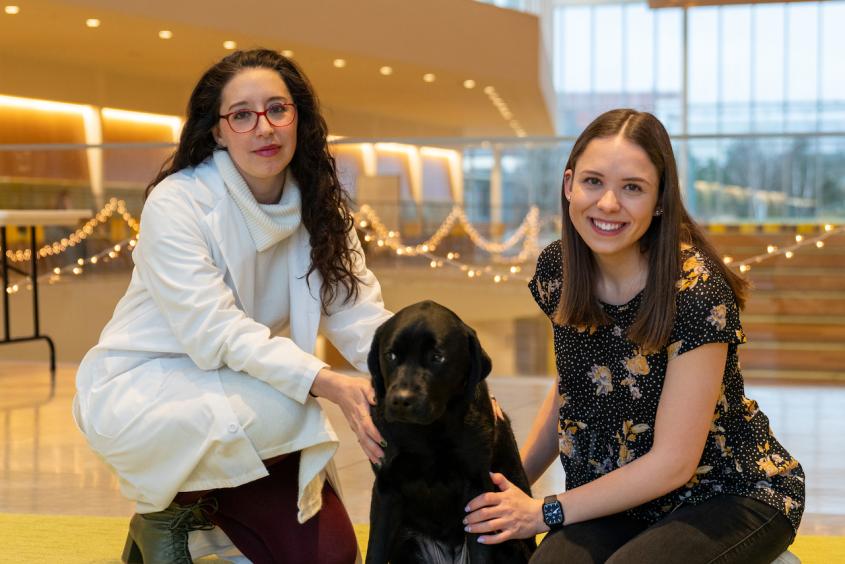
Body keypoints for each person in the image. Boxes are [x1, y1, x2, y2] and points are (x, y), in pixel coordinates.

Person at [73, 48, 392, 564]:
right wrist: (326, 381)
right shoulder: (178, 201)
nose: (263, 128)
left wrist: (429, 364)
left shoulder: (320, 206)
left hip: (244, 390)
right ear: (218, 131)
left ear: (298, 119)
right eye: (242, 115)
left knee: (331, 555)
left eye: (277, 109)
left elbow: (358, 313)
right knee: (291, 402)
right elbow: (214, 331)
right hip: (151, 386)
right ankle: (170, 509)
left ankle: (198, 507)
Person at [463, 109, 804, 563]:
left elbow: (674, 463)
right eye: (592, 182)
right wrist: (515, 489)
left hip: (729, 491)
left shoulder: (696, 289)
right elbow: (572, 385)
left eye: (632, 188)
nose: (607, 204)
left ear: (660, 200)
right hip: (619, 492)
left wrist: (545, 512)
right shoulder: (558, 269)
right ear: (568, 186)